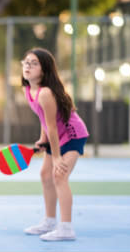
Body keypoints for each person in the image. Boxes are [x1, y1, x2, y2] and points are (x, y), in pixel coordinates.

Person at [20, 48, 89, 241]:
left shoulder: (45, 93)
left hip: (73, 135)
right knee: (45, 175)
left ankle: (66, 228)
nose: (28, 66)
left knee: (59, 176)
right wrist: (42, 140)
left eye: (34, 63)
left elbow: (52, 127)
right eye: (26, 62)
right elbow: (45, 121)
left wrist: (57, 157)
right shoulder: (28, 90)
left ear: (44, 70)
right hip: (57, 135)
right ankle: (49, 222)